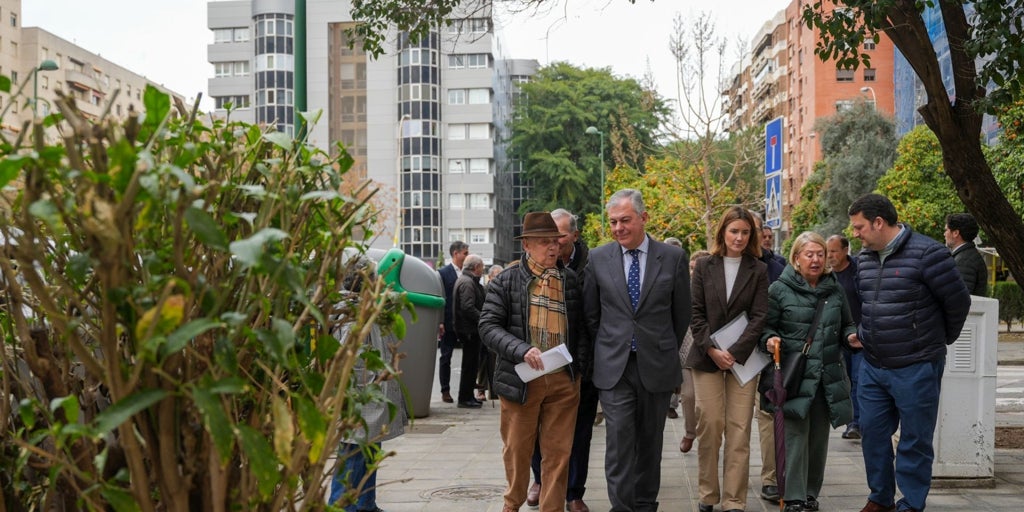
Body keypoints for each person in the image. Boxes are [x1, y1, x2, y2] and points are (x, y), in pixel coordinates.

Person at [847, 193, 971, 512]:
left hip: (916, 366)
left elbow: (958, 304)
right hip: (873, 365)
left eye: (859, 227)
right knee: (873, 435)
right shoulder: (864, 258)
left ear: (879, 222)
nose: (855, 233)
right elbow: (864, 304)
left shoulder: (929, 253)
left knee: (915, 440)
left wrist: (934, 343)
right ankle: (880, 497)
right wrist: (864, 333)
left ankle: (911, 503)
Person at [583, 189, 691, 512]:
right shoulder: (598, 258)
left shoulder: (672, 258)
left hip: (655, 365)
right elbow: (591, 315)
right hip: (614, 368)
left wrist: (659, 345)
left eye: (625, 220)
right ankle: (622, 508)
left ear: (643, 218)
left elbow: (681, 314)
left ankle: (645, 505)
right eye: (613, 222)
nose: (618, 228)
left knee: (649, 442)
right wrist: (608, 346)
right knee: (618, 443)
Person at [480, 212, 588, 512]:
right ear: (526, 245)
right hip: (521, 380)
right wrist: (521, 349)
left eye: (555, 241)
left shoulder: (570, 280)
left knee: (559, 453)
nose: (552, 248)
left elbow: (580, 327)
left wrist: (576, 368)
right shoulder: (506, 281)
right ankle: (511, 504)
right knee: (517, 450)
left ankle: (551, 508)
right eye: (544, 243)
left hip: (563, 380)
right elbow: (487, 327)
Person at [762, 231, 857, 512]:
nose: (815, 260)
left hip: (827, 375)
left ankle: (810, 493)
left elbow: (847, 324)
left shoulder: (834, 289)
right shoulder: (779, 289)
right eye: (809, 254)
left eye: (820, 254)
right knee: (794, 436)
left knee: (818, 438)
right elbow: (767, 326)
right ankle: (793, 497)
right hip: (795, 375)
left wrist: (851, 337)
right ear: (796, 258)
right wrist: (770, 338)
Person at [688, 206, 769, 512]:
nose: (739, 237)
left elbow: (760, 316)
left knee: (739, 427)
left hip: (743, 359)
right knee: (710, 423)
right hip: (707, 356)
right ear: (722, 231)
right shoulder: (705, 266)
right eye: (734, 231)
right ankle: (708, 494)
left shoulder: (758, 269)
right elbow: (695, 314)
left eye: (745, 232)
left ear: (752, 236)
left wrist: (734, 353)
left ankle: (734, 500)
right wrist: (712, 348)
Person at [527, 209, 596, 512]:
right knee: (536, 430)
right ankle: (540, 480)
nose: (553, 242)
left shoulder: (592, 266)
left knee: (580, 431)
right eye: (547, 237)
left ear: (575, 236)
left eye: (560, 236)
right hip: (537, 366)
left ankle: (574, 491)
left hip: (577, 366)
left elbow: (589, 322)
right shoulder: (525, 271)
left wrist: (580, 365)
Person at [329, 258, 408, 512]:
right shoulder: (352, 312)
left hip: (372, 397)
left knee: (370, 452)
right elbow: (350, 360)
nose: (379, 281)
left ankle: (365, 505)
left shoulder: (365, 307)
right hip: (361, 399)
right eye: (375, 277)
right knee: (353, 456)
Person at [752, 213, 785, 502]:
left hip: (765, 350)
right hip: (728, 352)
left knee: (767, 414)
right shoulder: (720, 264)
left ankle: (771, 478)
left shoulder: (778, 267)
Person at [827, 234, 864, 440]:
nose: (830, 255)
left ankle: (857, 423)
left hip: (860, 339)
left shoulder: (859, 272)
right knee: (845, 381)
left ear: (845, 251)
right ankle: (851, 421)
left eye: (834, 251)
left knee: (859, 380)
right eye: (828, 251)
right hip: (838, 339)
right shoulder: (827, 275)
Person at [678, 249, 711, 454]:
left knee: (707, 403)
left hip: (708, 350)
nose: (693, 272)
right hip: (686, 349)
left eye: (696, 269)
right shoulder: (682, 289)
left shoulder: (714, 288)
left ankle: (709, 436)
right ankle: (690, 432)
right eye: (691, 268)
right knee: (688, 395)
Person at [453, 254, 486, 409]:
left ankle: (467, 397)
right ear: (475, 267)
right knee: (469, 366)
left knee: (471, 365)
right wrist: (483, 319)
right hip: (469, 331)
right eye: (482, 266)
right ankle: (465, 398)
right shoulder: (467, 283)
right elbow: (467, 307)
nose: (483, 269)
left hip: (469, 329)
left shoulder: (467, 281)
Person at [438, 241, 470, 403]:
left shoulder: (467, 273)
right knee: (446, 356)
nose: (467, 256)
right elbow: (441, 297)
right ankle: (445, 390)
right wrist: (440, 321)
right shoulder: (443, 273)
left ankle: (467, 390)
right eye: (465, 253)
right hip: (449, 322)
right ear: (455, 254)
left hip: (464, 323)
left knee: (469, 356)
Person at [476, 264, 505, 401]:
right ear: (490, 277)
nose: (498, 279)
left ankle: (494, 392)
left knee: (495, 360)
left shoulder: (503, 289)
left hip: (500, 329)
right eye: (496, 276)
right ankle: (481, 389)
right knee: (484, 361)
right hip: (486, 329)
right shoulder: (485, 290)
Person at [944, 212, 989, 296]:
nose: (944, 234)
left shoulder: (964, 260)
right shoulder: (965, 256)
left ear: (955, 233)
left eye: (946, 230)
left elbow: (959, 297)